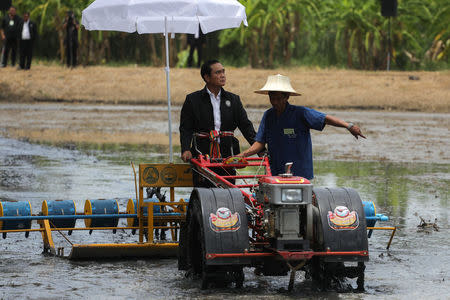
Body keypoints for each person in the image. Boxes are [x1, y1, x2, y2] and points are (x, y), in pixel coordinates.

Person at [237, 74, 366, 179]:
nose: (274, 102)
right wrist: (243, 155)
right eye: (272, 98)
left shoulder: (300, 113)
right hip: (275, 172)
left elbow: (324, 118)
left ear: (286, 97)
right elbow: (260, 143)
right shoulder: (268, 116)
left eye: (278, 98)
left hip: (300, 173)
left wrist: (348, 126)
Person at [179, 59, 257, 186]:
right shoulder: (193, 100)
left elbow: (246, 126)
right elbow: (186, 128)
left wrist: (259, 148)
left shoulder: (234, 100)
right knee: (204, 192)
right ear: (207, 77)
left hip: (228, 155)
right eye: (218, 73)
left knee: (228, 191)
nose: (222, 75)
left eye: (223, 72)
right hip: (201, 155)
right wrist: (185, 149)